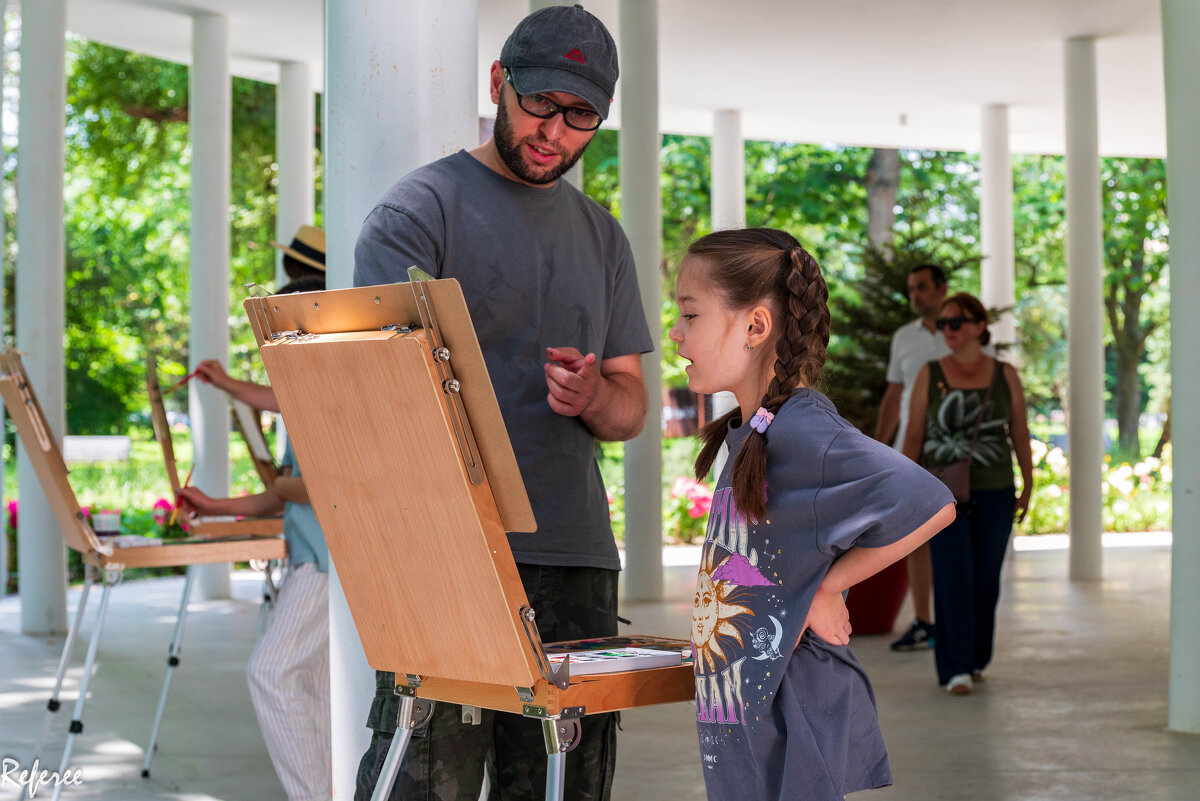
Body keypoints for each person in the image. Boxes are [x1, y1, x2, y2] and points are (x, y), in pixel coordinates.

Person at [351, 5, 652, 800]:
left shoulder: (604, 237)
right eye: (539, 104)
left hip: (576, 554)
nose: (555, 131)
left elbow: (631, 410)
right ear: (498, 83)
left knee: (567, 784)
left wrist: (593, 394)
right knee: (426, 780)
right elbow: (378, 401)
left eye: (580, 114)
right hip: (449, 554)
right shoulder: (417, 213)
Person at [669, 228, 955, 801]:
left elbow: (930, 501)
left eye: (690, 316)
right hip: (748, 714)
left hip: (794, 714)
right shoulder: (753, 430)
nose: (675, 336)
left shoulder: (804, 428)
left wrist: (829, 586)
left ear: (755, 326)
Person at [182, 275, 332, 801]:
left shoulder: (330, 391)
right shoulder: (298, 405)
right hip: (314, 562)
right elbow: (284, 493)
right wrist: (217, 508)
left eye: (287, 333)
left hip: (331, 566)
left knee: (271, 673)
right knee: (312, 687)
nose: (276, 346)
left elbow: (311, 486)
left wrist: (225, 384)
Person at [902, 292, 1033, 696]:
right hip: (942, 493)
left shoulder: (1004, 374)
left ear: (979, 326)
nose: (948, 331)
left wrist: (1028, 483)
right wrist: (904, 489)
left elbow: (1020, 432)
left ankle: (976, 659)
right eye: (943, 324)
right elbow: (914, 434)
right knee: (952, 575)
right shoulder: (930, 372)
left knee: (986, 580)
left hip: (995, 489)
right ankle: (954, 667)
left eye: (955, 323)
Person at [874, 264, 948, 652]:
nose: (915, 295)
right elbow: (893, 396)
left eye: (921, 287)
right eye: (911, 289)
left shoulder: (965, 334)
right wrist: (879, 445)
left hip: (956, 456)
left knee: (955, 541)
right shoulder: (904, 338)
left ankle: (954, 621)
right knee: (917, 538)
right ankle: (925, 621)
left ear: (941, 289)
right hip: (912, 454)